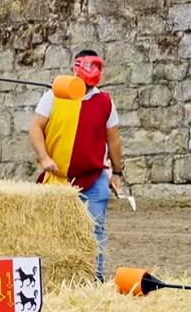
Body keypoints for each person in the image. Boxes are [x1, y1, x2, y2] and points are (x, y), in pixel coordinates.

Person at [28, 49, 123, 283]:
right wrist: (44, 157)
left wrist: (117, 173)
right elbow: (35, 128)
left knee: (95, 230)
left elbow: (113, 140)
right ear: (76, 67)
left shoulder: (105, 102)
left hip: (94, 178)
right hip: (57, 178)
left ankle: (95, 279)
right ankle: (53, 280)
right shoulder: (54, 95)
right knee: (51, 232)